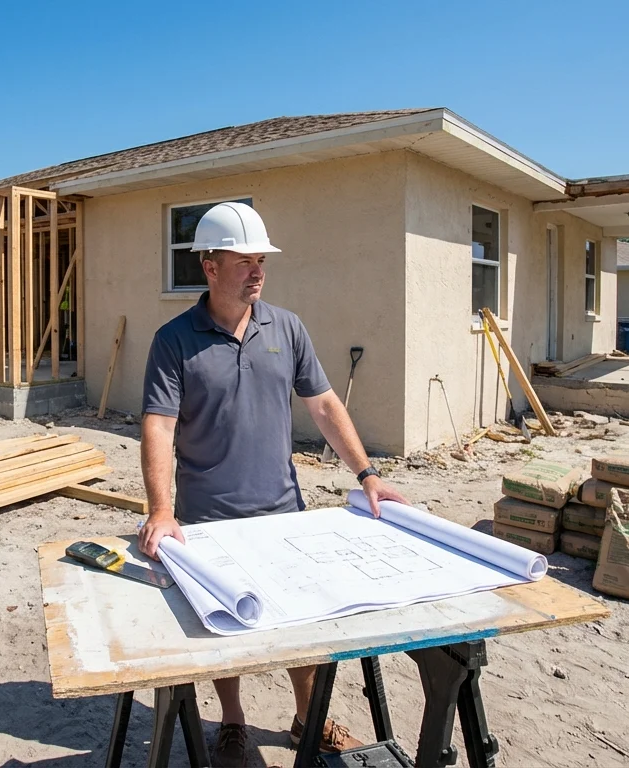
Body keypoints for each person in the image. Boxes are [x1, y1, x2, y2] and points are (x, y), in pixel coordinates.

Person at [137, 201, 408, 767]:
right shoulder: (174, 340)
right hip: (209, 519)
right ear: (210, 267)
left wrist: (368, 474)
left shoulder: (286, 326)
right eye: (245, 261)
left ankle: (309, 718)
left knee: (303, 628)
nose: (258, 271)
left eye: (262, 260)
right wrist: (162, 510)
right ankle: (232, 723)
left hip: (285, 510)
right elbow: (159, 427)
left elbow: (326, 406)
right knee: (224, 633)